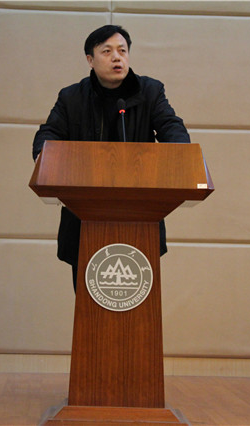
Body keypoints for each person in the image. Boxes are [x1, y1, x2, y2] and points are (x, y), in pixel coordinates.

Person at [32, 24, 190, 291]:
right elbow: (49, 134)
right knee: (90, 303)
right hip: (83, 220)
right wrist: (44, 158)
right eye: (107, 51)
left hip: (140, 216)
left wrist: (181, 156)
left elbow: (171, 127)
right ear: (90, 60)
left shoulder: (150, 91)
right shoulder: (71, 97)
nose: (117, 57)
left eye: (122, 51)